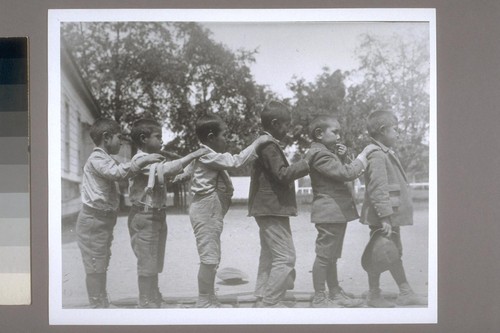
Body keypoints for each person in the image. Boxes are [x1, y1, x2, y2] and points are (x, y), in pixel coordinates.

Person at [174, 113, 271, 308]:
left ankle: (209, 297)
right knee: (209, 257)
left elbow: (189, 171)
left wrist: (183, 176)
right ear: (211, 137)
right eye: (224, 135)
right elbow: (235, 161)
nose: (226, 139)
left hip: (209, 209)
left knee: (213, 256)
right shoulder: (208, 155)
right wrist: (257, 143)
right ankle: (204, 299)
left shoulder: (202, 154)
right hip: (206, 208)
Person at [76, 118, 164, 308]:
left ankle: (101, 302)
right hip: (93, 219)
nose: (122, 143)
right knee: (95, 263)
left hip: (101, 220)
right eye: (119, 139)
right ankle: (98, 304)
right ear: (106, 138)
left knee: (101, 260)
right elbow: (117, 173)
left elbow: (122, 174)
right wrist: (145, 160)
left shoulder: (107, 159)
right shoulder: (97, 159)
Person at [127, 119, 208, 308]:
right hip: (144, 215)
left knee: (154, 258)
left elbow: (166, 176)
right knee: (147, 260)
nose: (162, 141)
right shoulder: (139, 160)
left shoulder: (155, 158)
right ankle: (145, 300)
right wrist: (192, 155)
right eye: (158, 137)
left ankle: (154, 295)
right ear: (143, 139)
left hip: (157, 215)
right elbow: (165, 170)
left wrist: (187, 169)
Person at [305, 115, 377, 308]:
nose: (338, 136)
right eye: (334, 132)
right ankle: (320, 297)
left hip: (334, 213)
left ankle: (335, 292)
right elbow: (345, 174)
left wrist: (343, 157)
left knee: (331, 256)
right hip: (329, 212)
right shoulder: (320, 155)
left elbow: (336, 172)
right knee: (324, 255)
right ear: (319, 134)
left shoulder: (326, 153)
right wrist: (362, 157)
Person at [360, 110, 427, 307]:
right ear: (382, 131)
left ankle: (405, 291)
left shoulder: (384, 153)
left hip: (389, 216)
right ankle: (374, 294)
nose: (398, 134)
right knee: (381, 251)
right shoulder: (377, 155)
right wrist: (385, 217)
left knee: (392, 251)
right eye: (395, 130)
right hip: (384, 217)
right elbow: (378, 188)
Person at [248, 100, 310, 308]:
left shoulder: (266, 144)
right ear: (275, 123)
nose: (288, 129)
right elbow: (282, 175)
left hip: (269, 208)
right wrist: (307, 163)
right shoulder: (268, 146)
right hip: (270, 208)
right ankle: (270, 302)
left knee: (270, 254)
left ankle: (261, 295)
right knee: (286, 257)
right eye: (285, 125)